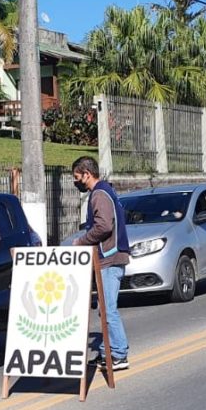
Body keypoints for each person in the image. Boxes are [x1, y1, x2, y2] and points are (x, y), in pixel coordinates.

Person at [70, 156, 131, 371]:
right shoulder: (105, 191)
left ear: (87, 173)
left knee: (108, 309)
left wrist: (82, 241)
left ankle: (119, 354)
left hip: (110, 257)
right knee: (105, 309)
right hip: (109, 256)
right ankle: (107, 352)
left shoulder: (100, 195)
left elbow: (104, 226)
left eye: (77, 178)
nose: (76, 182)